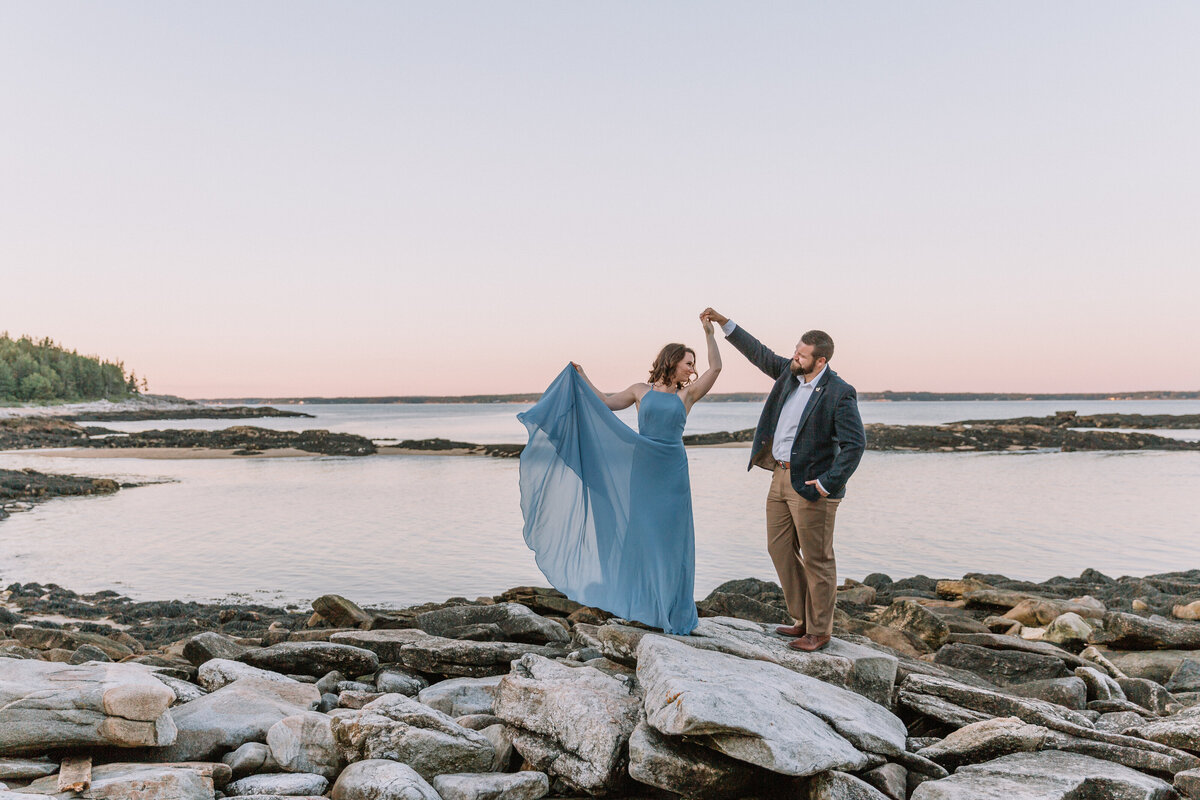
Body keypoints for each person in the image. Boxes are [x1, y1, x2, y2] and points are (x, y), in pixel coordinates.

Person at [516, 316, 722, 635]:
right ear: (672, 361)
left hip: (673, 472)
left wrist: (710, 334)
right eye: (687, 363)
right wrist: (582, 377)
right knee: (640, 536)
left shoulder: (688, 395)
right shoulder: (641, 390)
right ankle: (641, 607)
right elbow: (607, 404)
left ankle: (672, 609)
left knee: (671, 542)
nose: (692, 369)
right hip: (644, 469)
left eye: (694, 365)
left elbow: (716, 369)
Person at [700, 307, 865, 651]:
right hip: (779, 476)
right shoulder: (789, 374)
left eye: (802, 355)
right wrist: (724, 322)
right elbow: (758, 352)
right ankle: (801, 619)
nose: (794, 357)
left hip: (812, 487)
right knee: (778, 548)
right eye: (795, 350)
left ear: (820, 361)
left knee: (818, 559)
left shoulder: (839, 392)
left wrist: (826, 484)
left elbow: (855, 445)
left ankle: (819, 631)